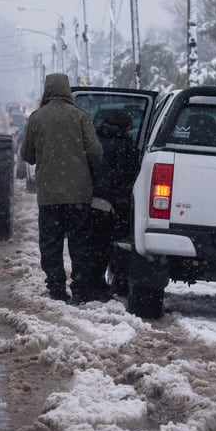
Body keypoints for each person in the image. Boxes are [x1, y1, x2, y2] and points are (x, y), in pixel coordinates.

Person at [19, 73, 103, 302]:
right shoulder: (81, 117)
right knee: (80, 243)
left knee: (51, 243)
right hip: (79, 195)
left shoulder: (37, 118)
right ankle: (80, 289)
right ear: (68, 91)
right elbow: (96, 154)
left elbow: (27, 155)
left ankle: (56, 287)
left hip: (49, 196)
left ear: (47, 90)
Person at [84, 111, 138, 302]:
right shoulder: (125, 145)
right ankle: (100, 286)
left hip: (88, 198)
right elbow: (129, 176)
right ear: (125, 126)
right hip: (110, 202)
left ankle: (84, 283)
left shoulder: (93, 140)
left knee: (88, 244)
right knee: (105, 246)